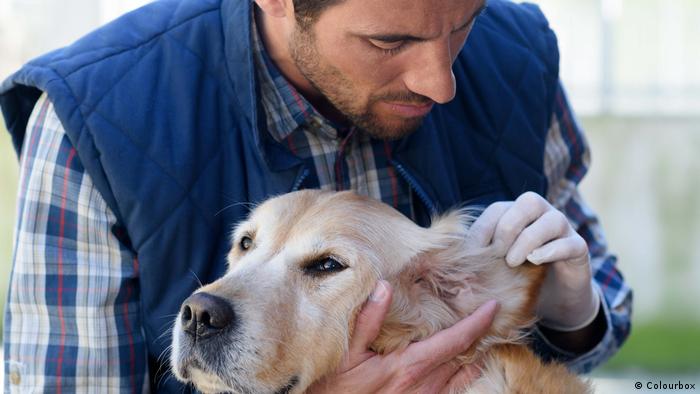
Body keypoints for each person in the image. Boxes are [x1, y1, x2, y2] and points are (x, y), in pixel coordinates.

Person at [0, 0, 632, 392]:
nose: (441, 82)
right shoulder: (94, 116)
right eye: (389, 42)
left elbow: (607, 320)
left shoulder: (517, 58)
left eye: (462, 25)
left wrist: (573, 309)